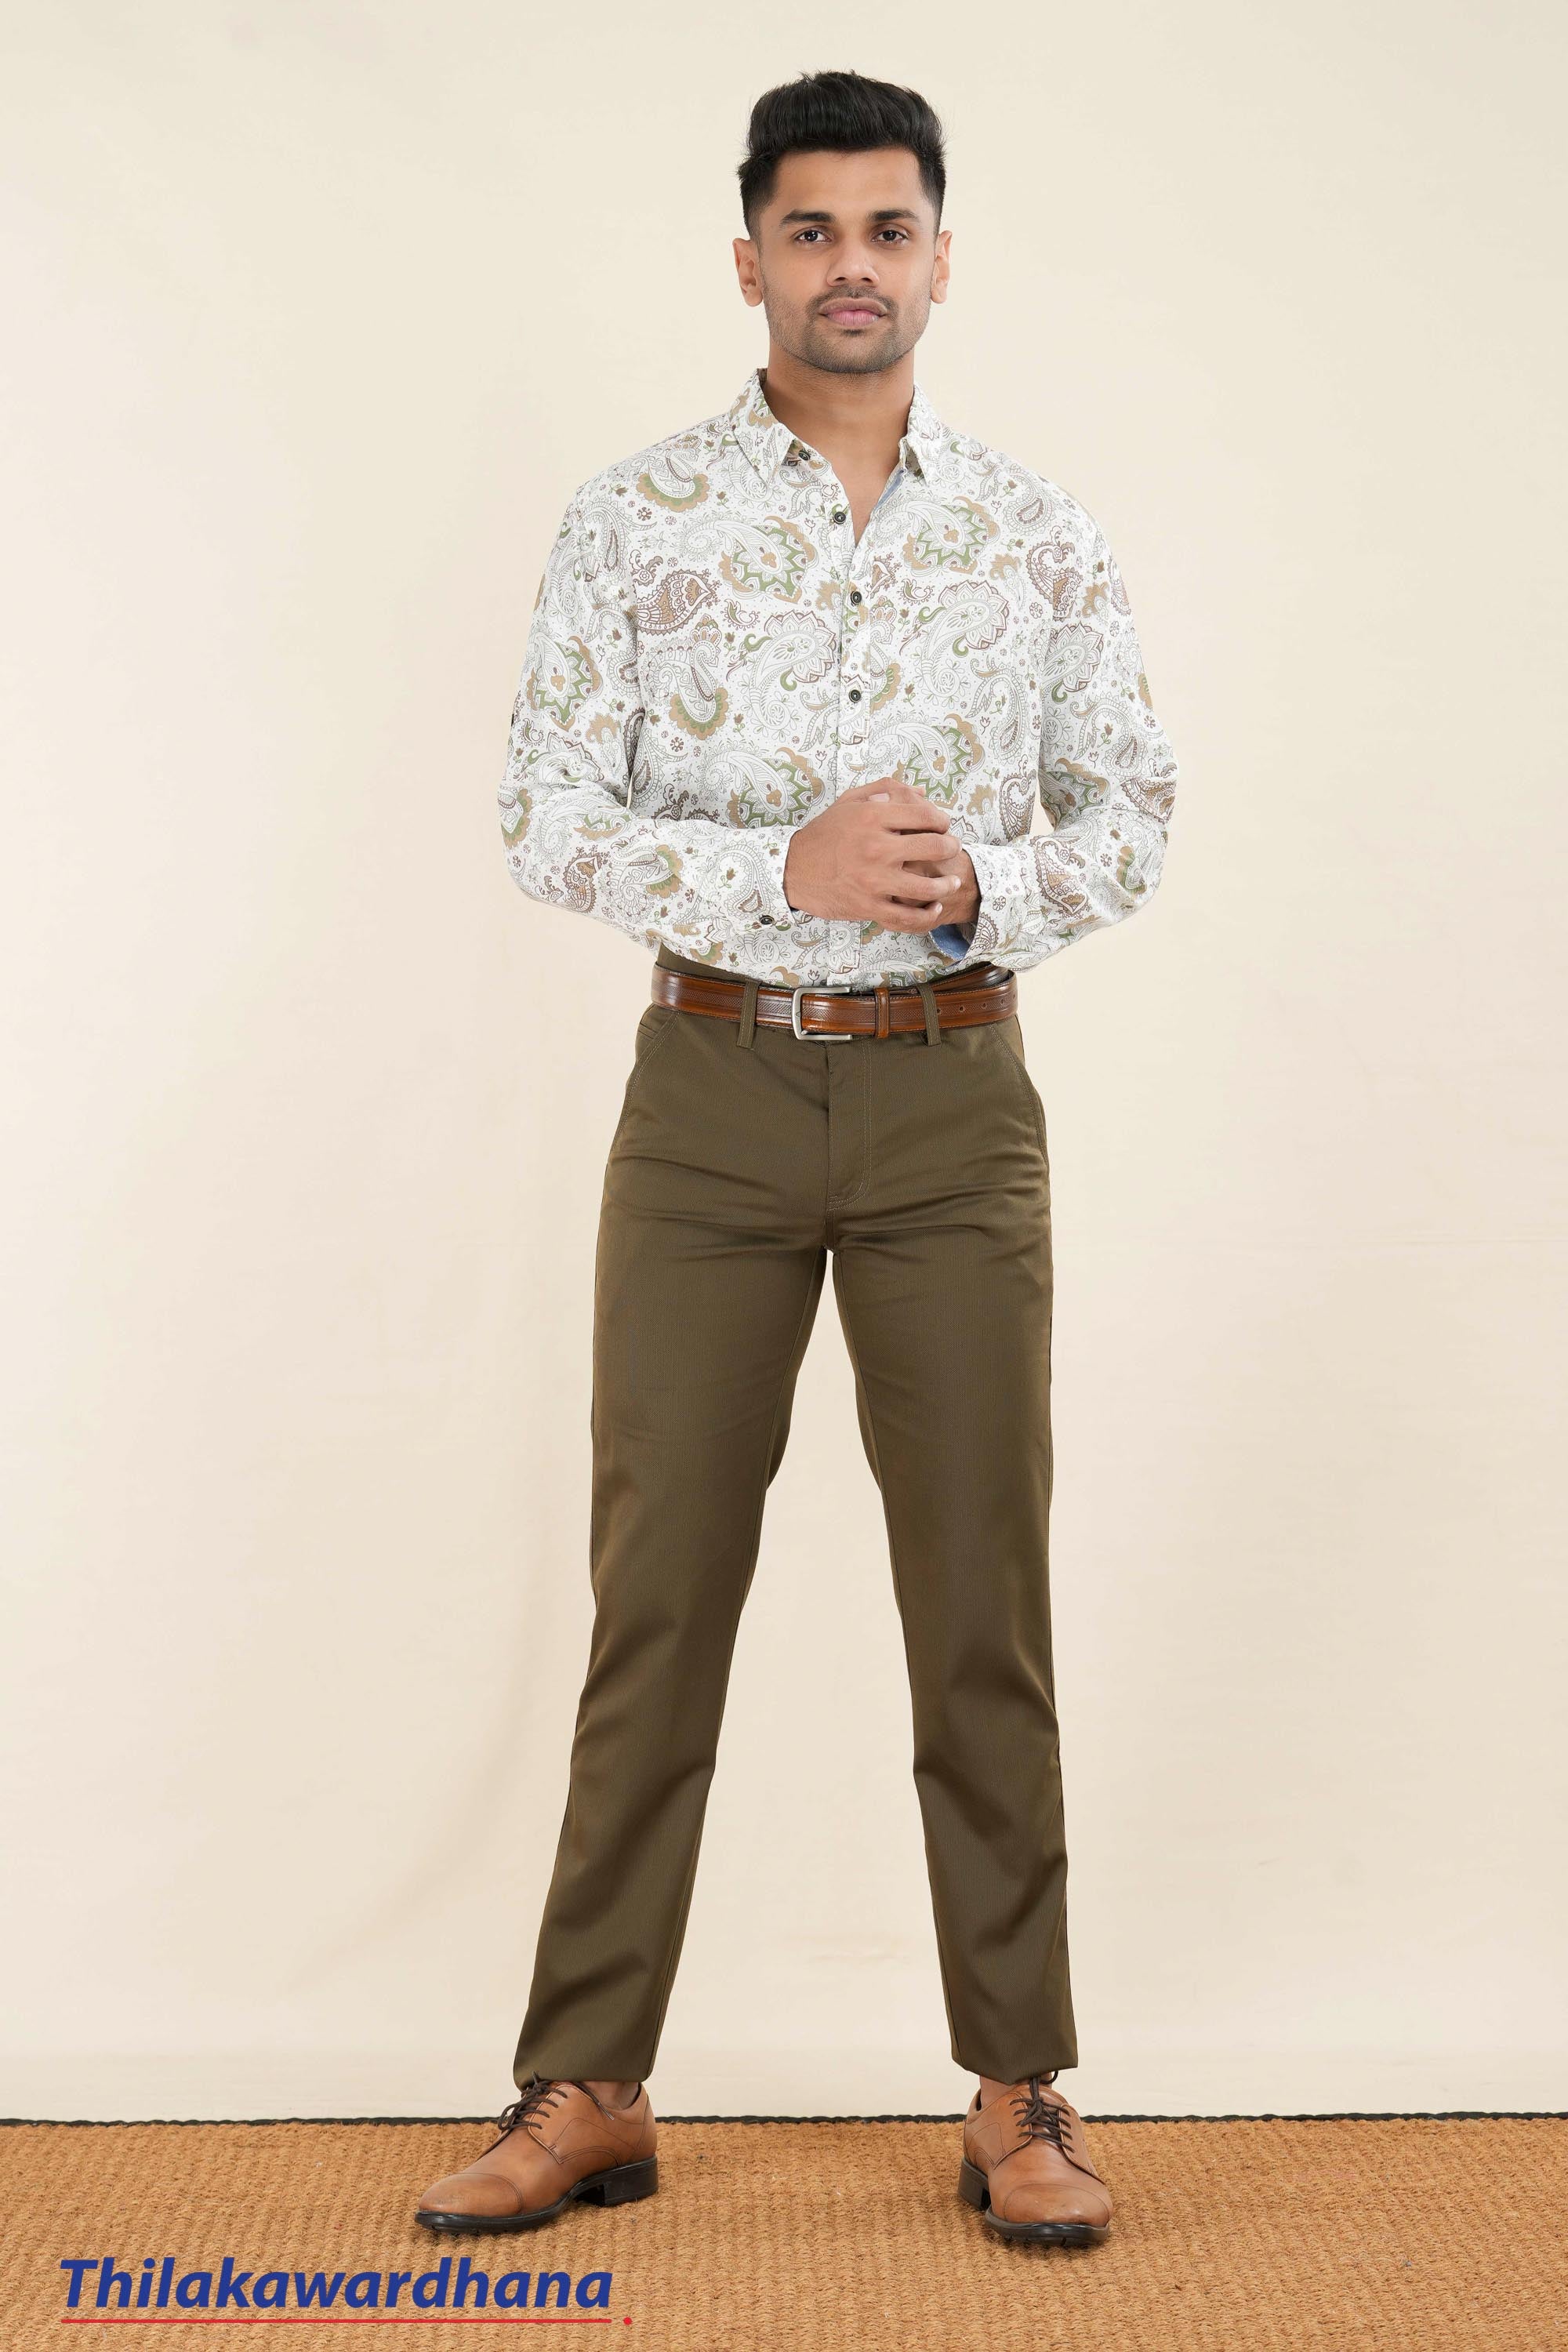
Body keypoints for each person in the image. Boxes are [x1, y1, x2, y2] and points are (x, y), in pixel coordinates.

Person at [417, 67, 1179, 2251]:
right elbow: (546, 817)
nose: (855, 265)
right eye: (814, 228)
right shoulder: (633, 521)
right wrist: (786, 867)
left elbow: (1131, 807)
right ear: (747, 257)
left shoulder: (1034, 531)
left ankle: (1020, 2087)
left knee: (983, 1602)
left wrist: (975, 888)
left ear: (943, 257)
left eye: (890, 228)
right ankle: (588, 2082)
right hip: (711, 1101)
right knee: (657, 1593)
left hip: (955, 1101)